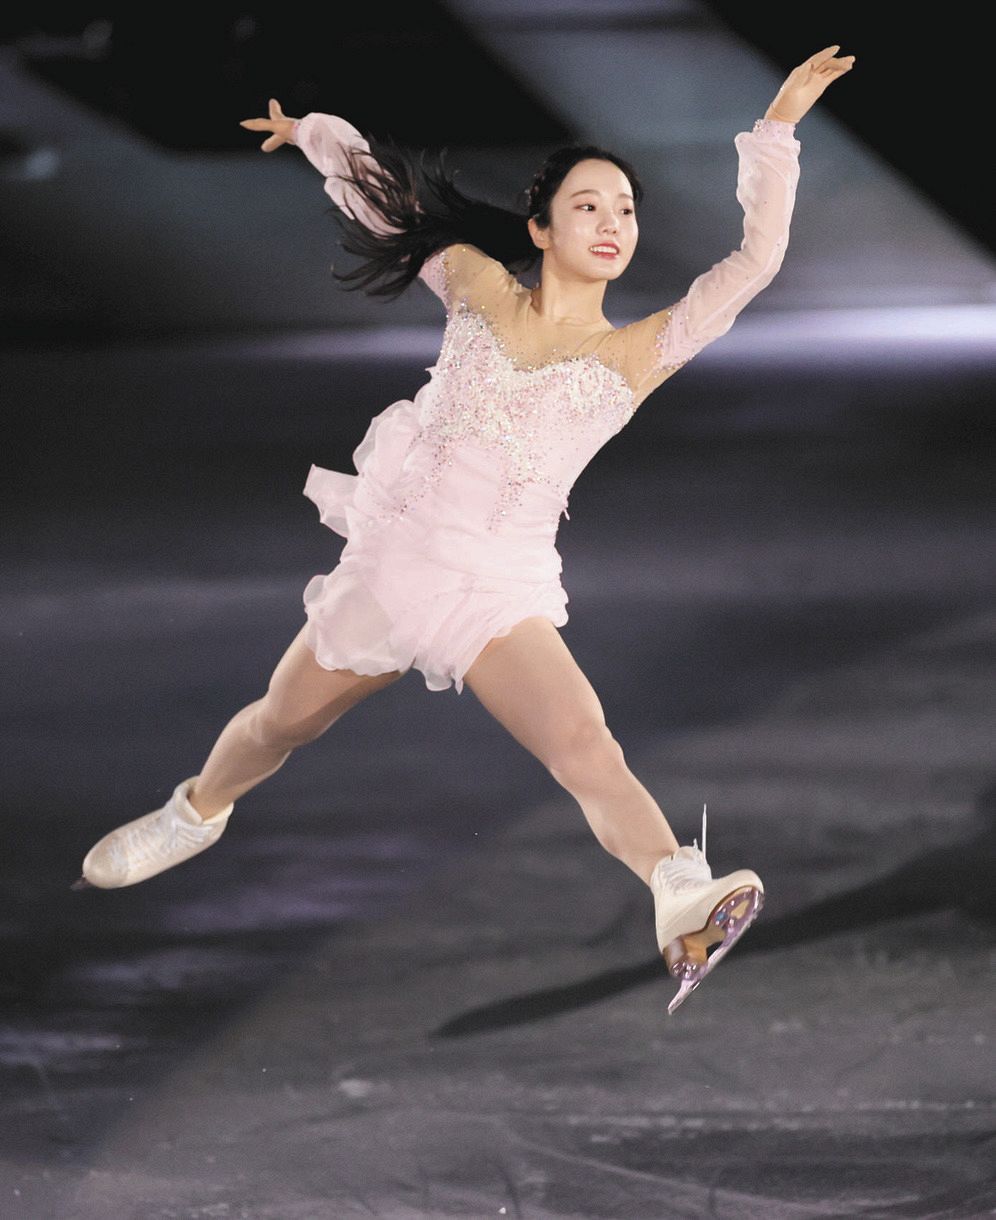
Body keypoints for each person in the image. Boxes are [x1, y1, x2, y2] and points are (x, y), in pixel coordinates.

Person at [73, 46, 855, 1014]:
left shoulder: (637, 351)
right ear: (541, 224)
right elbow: (388, 206)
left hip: (497, 587)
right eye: (587, 205)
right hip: (394, 562)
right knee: (279, 721)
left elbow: (755, 260)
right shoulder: (478, 285)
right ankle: (195, 808)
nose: (611, 223)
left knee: (585, 745)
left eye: (625, 208)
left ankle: (677, 888)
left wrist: (776, 124)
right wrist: (313, 136)